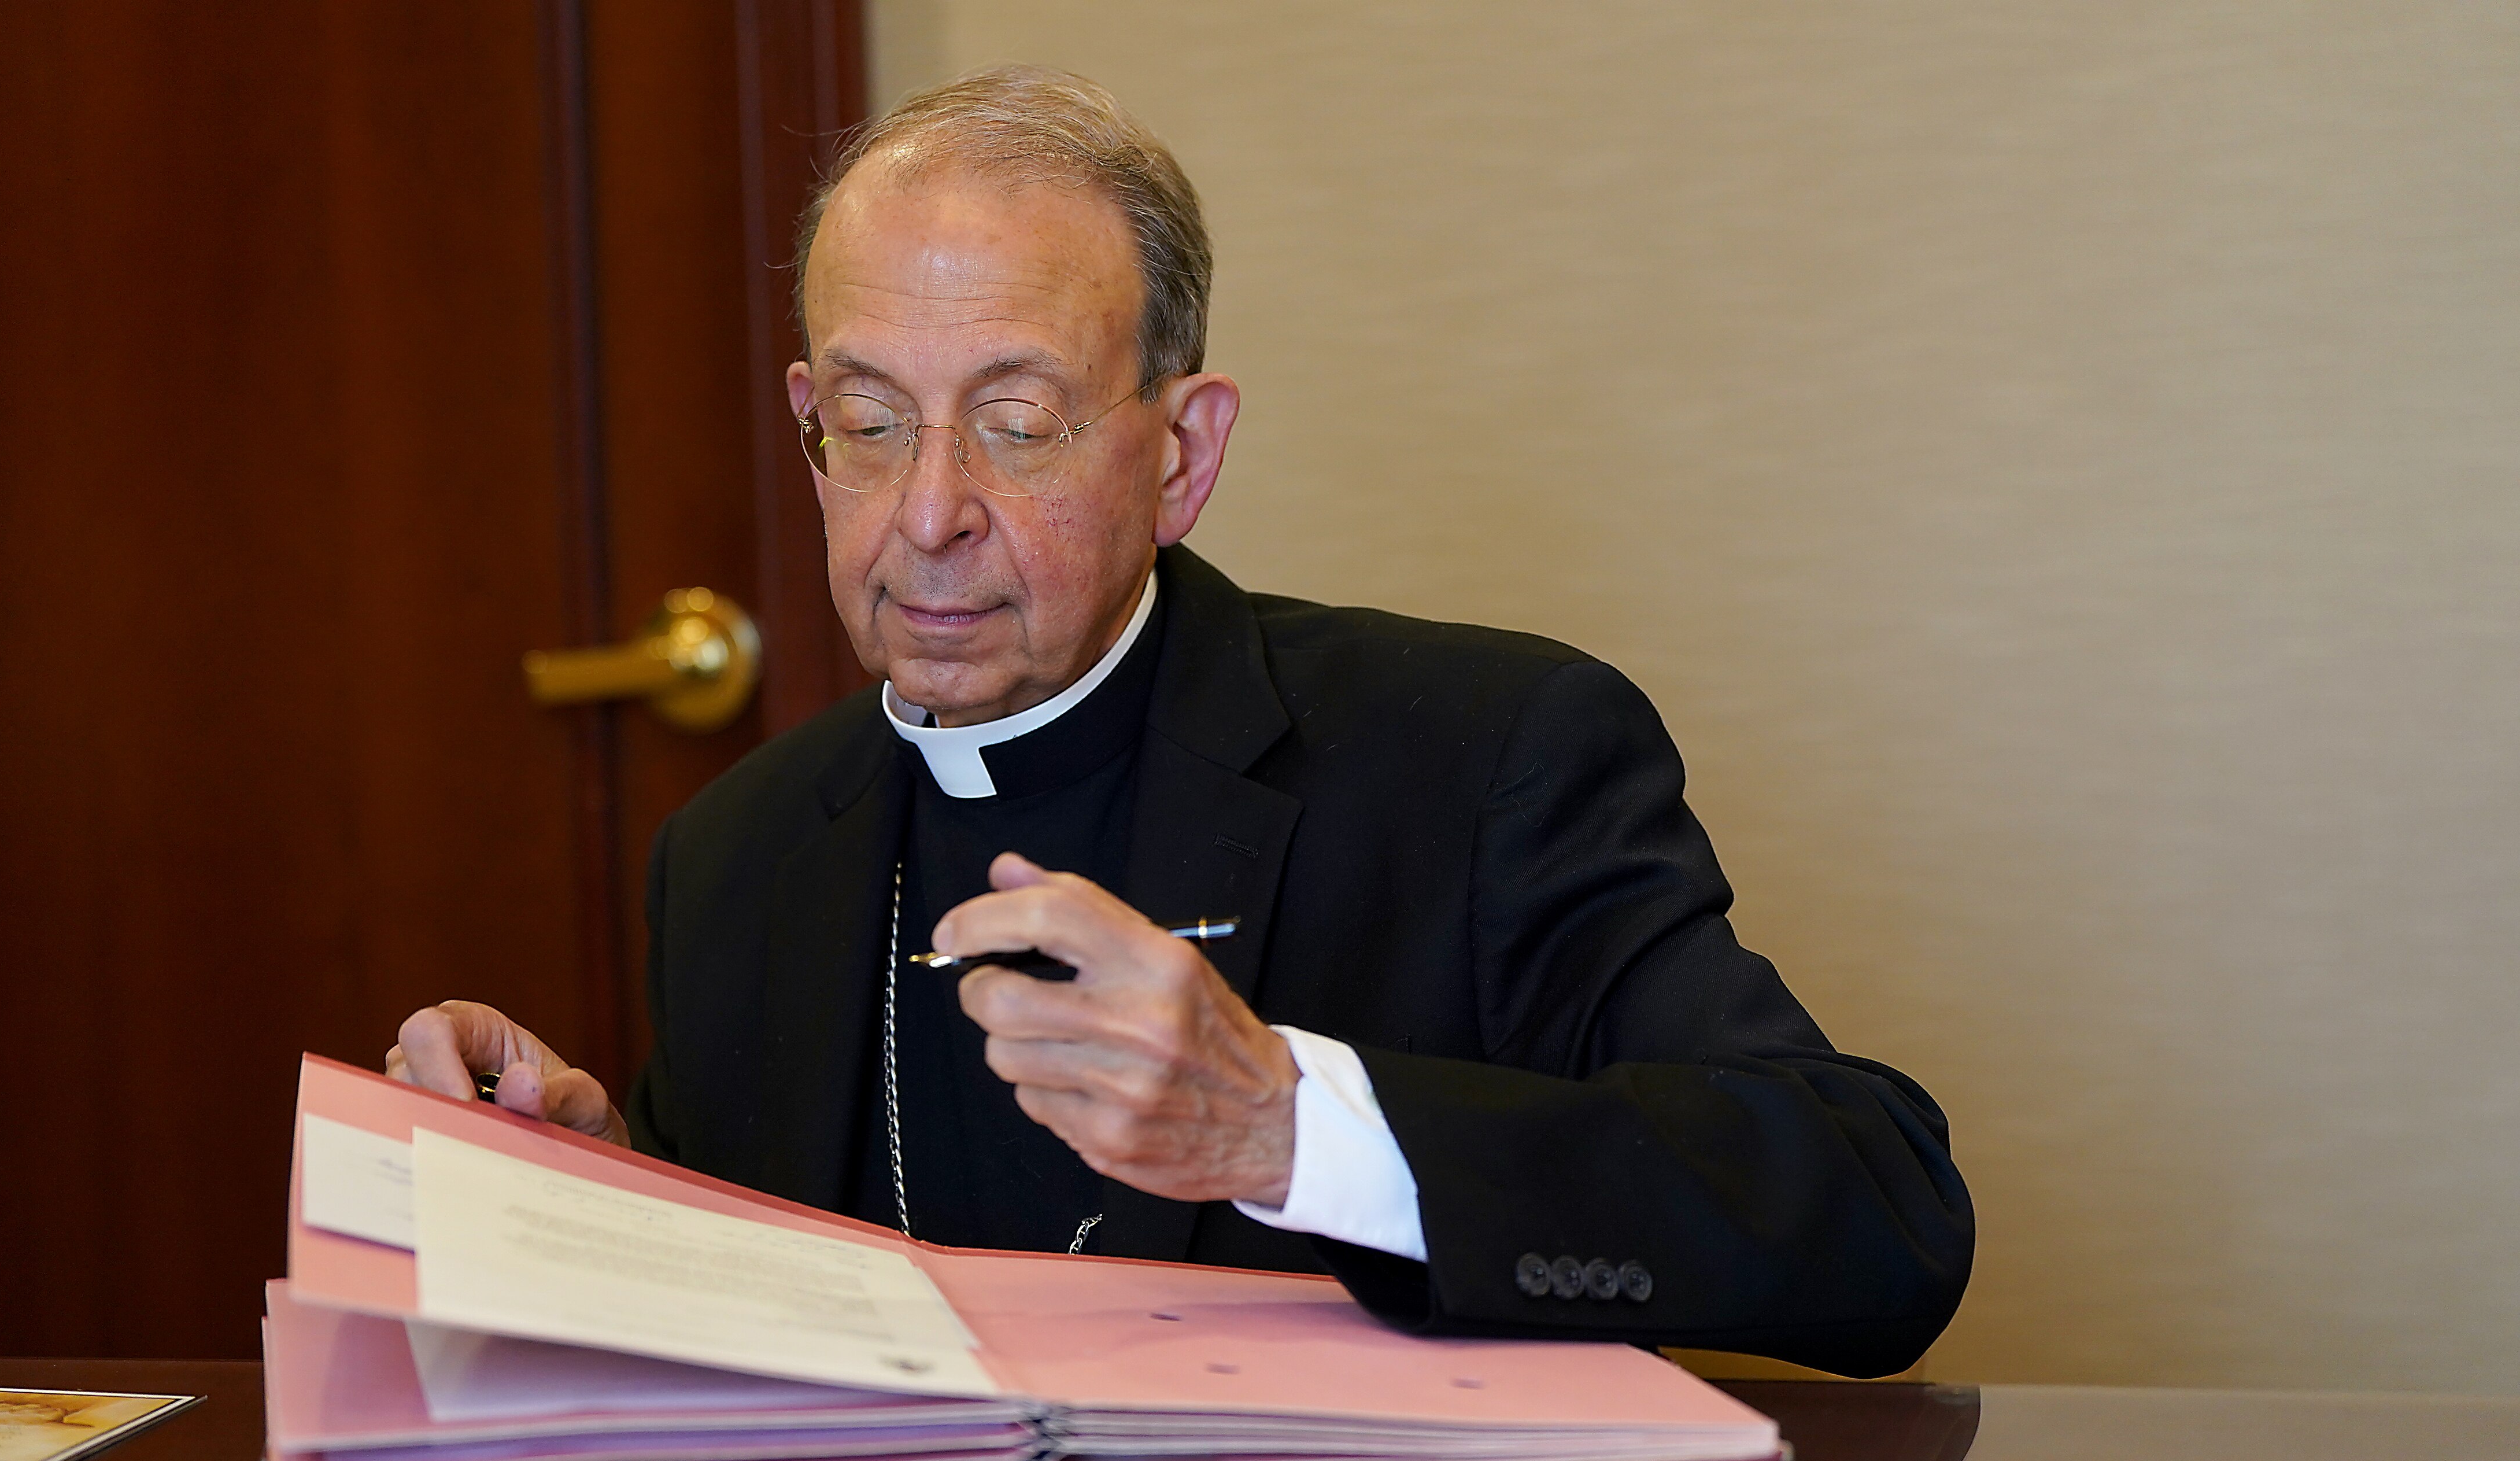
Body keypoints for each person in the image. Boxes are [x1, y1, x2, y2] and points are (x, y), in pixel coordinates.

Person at [389, 65, 1971, 1378]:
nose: (926, 513)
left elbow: (1875, 1216)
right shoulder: (734, 854)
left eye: (1015, 425)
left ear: (1181, 455)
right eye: (867, 426)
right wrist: (602, 1179)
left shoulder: (1480, 757)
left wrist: (1299, 1133)